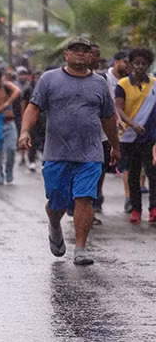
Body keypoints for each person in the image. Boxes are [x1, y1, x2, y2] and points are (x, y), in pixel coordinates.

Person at [19, 37, 120, 266]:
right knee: (58, 201)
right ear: (66, 55)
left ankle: (81, 248)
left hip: (90, 153)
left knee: (84, 199)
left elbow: (108, 117)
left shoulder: (99, 83)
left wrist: (114, 145)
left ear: (91, 56)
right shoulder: (49, 79)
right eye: (75, 50)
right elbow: (34, 108)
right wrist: (25, 131)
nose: (80, 55)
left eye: (85, 51)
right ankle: (54, 224)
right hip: (57, 152)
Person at [114, 48, 156, 224]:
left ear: (148, 65)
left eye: (143, 63)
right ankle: (136, 209)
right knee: (133, 174)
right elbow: (118, 108)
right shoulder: (123, 84)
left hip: (150, 136)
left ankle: (153, 209)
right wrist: (131, 123)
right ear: (131, 64)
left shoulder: (154, 83)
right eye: (137, 63)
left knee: (153, 173)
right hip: (130, 137)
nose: (140, 66)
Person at [101, 51, 131, 213]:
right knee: (102, 166)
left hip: (129, 129)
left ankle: (130, 198)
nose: (128, 66)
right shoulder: (105, 79)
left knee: (130, 166)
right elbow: (112, 105)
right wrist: (118, 119)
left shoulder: (130, 80)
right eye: (125, 62)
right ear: (117, 62)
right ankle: (96, 197)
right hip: (108, 128)